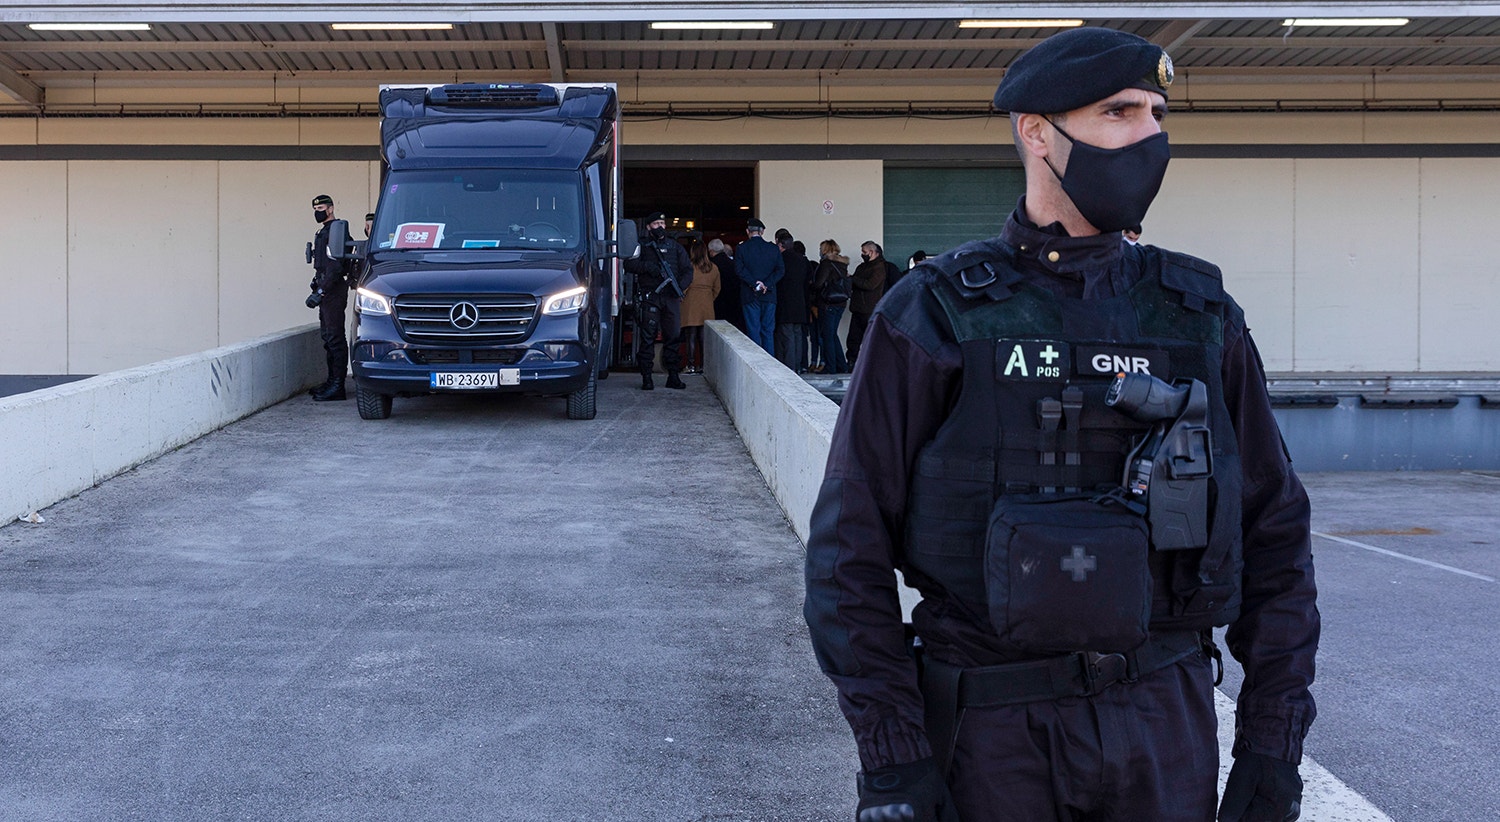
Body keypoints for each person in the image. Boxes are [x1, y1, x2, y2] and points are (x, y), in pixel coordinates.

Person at [803, 26, 1318, 822]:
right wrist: (893, 760)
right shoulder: (936, 313)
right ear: (1036, 132)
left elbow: (1275, 533)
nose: (1149, 136)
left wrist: (1273, 746)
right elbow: (848, 550)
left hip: (1167, 727)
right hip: (990, 734)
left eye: (1157, 113)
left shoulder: (1200, 315)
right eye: (1119, 112)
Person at [624, 211, 693, 390]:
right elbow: (628, 264)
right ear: (648, 227)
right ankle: (647, 377)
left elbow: (688, 270)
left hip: (671, 297)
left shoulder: (675, 247)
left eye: (662, 223)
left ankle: (673, 376)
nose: (660, 227)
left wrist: (679, 286)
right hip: (651, 297)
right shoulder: (642, 246)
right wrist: (648, 267)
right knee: (647, 338)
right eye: (656, 224)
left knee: (673, 336)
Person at [307, 194, 350, 401]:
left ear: (331, 209)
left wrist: (322, 291)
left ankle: (337, 386)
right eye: (316, 208)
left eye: (322, 207)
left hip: (332, 289)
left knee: (335, 338)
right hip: (325, 286)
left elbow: (335, 267)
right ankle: (331, 381)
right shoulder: (323, 231)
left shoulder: (337, 230)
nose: (318, 211)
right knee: (327, 338)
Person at [734, 217, 783, 355]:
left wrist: (754, 283)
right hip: (769, 294)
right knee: (768, 331)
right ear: (762, 231)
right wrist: (766, 284)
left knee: (753, 330)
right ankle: (770, 366)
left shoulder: (742, 248)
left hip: (750, 294)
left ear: (747, 231)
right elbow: (780, 270)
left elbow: (739, 270)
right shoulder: (773, 248)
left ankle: (757, 365)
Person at [845, 240, 894, 368]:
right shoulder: (861, 267)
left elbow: (870, 285)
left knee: (871, 340)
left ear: (872, 252)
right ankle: (852, 363)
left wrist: (852, 279)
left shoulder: (880, 267)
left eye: (864, 252)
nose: (863, 254)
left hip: (870, 309)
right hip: (857, 308)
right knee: (853, 339)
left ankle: (874, 365)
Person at [680, 239, 720, 374]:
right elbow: (717, 288)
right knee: (703, 338)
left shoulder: (689, 267)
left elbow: (684, 286)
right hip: (707, 305)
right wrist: (709, 298)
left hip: (690, 305)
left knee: (690, 336)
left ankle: (690, 365)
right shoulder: (713, 268)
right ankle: (703, 366)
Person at [810, 239, 850, 374]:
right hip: (841, 303)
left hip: (827, 303)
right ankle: (842, 366)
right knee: (833, 335)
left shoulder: (826, 264)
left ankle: (831, 367)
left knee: (827, 336)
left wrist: (811, 284)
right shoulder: (842, 265)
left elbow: (819, 284)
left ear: (825, 250)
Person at [774, 229, 810, 372]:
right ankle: (798, 366)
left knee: (787, 337)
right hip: (800, 304)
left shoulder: (780, 259)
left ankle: (789, 370)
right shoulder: (802, 260)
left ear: (780, 244)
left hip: (785, 304)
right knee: (797, 337)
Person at [709, 238, 745, 335]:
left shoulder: (712, 266)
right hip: (734, 303)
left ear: (711, 252)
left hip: (718, 304)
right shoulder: (734, 264)